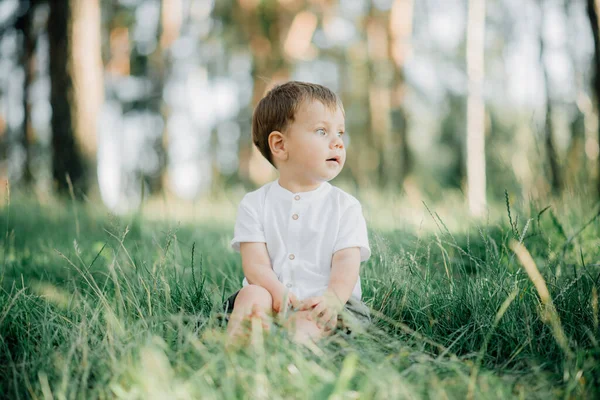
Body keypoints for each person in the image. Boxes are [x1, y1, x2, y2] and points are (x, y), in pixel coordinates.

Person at [225, 81, 371, 344]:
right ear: (280, 145)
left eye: (340, 133)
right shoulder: (254, 203)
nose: (337, 142)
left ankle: (289, 352)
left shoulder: (345, 207)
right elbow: (255, 265)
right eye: (321, 131)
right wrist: (278, 294)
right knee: (251, 297)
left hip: (327, 303)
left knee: (308, 321)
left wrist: (332, 298)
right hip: (272, 295)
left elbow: (346, 263)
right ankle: (240, 351)